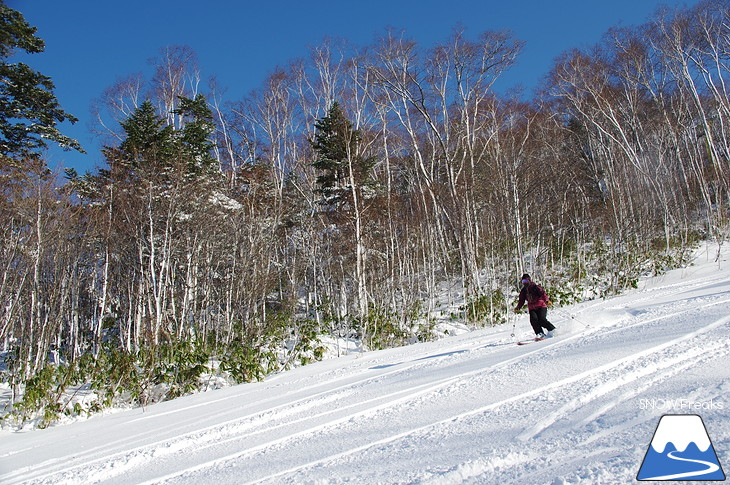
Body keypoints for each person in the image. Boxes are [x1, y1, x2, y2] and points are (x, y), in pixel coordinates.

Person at [514, 273, 556, 338]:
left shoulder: (535, 287)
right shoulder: (523, 291)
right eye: (523, 281)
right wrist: (518, 307)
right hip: (532, 308)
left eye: (526, 281)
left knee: (542, 320)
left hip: (541, 306)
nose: (525, 283)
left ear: (529, 280)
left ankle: (553, 330)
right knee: (533, 320)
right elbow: (521, 300)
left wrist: (547, 300)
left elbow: (543, 294)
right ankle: (540, 333)